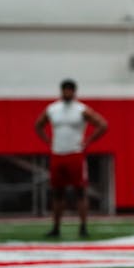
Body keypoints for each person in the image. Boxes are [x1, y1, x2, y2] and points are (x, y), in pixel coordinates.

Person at [34, 79, 108, 238]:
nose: (67, 93)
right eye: (65, 90)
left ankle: (83, 226)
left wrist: (88, 141)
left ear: (74, 92)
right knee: (57, 192)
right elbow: (38, 125)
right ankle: (56, 227)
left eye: (70, 90)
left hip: (75, 153)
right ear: (61, 91)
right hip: (58, 153)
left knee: (80, 191)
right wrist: (48, 141)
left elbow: (102, 124)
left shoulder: (81, 109)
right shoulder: (53, 109)